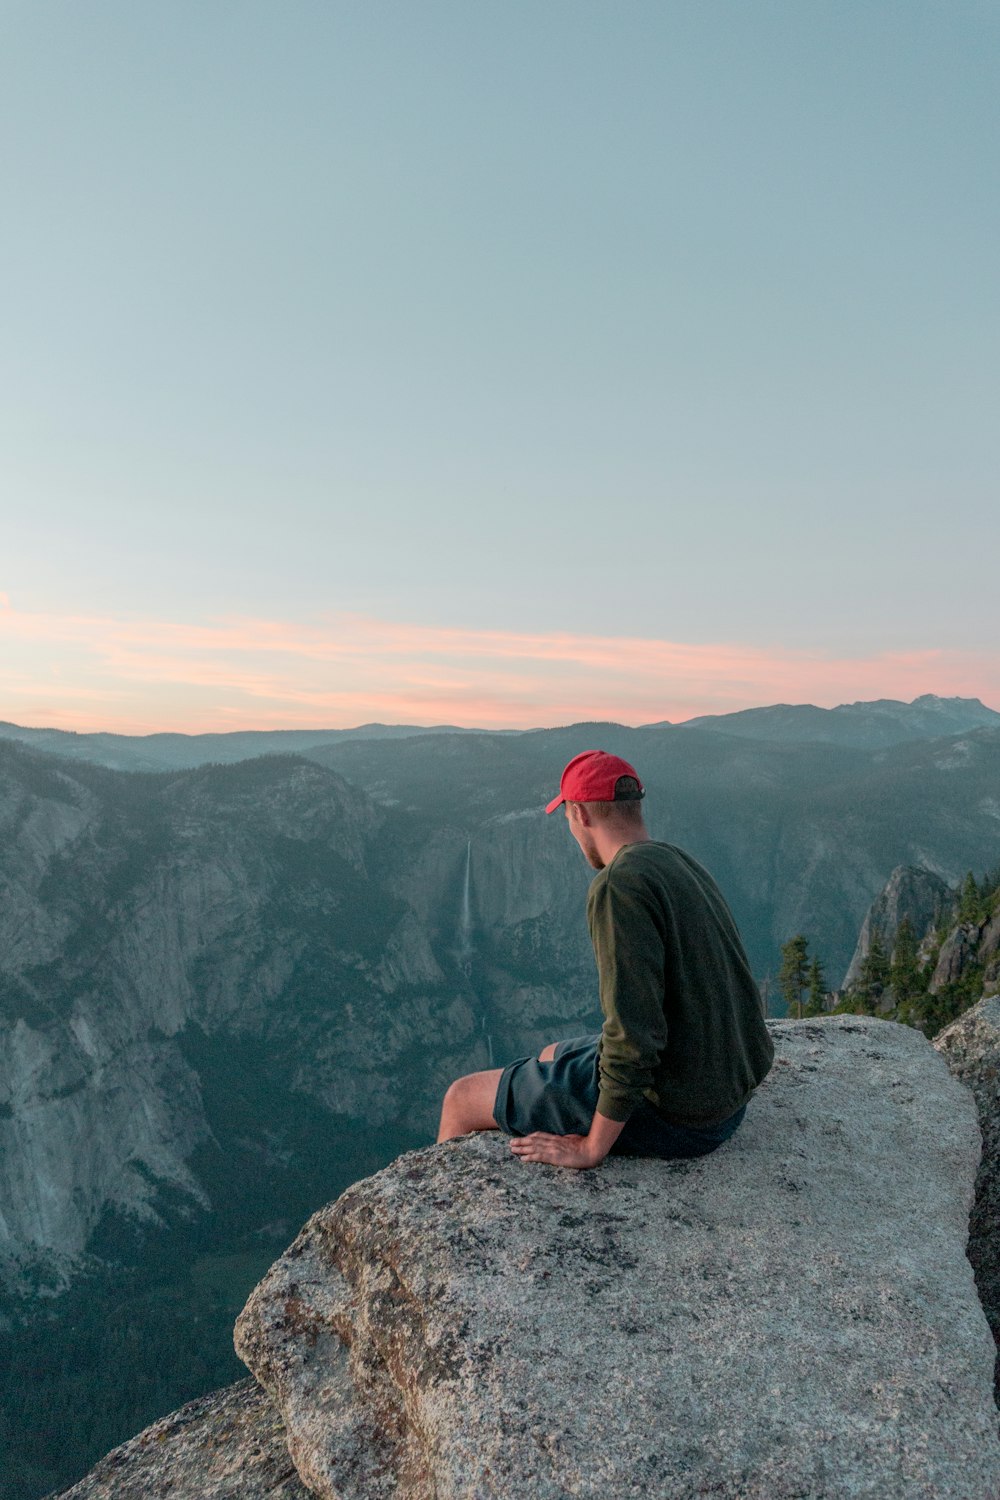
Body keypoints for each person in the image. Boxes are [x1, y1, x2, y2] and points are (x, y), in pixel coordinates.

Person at [436, 749, 774, 1169]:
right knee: (549, 1053)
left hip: (680, 1114)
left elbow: (633, 1038)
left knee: (461, 1097)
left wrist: (592, 1147)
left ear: (580, 814)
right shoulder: (678, 861)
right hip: (726, 1095)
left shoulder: (619, 886)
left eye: (567, 819)